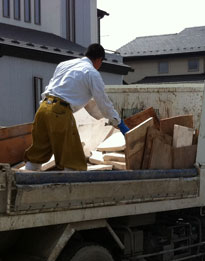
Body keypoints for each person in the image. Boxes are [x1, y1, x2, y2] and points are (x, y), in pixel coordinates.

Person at [24, 43, 129, 171]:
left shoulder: (64, 65)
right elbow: (103, 102)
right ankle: (69, 184)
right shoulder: (92, 73)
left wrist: (107, 117)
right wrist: (118, 122)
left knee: (38, 153)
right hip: (59, 112)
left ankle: (24, 178)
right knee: (72, 161)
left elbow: (75, 95)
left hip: (43, 108)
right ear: (99, 60)